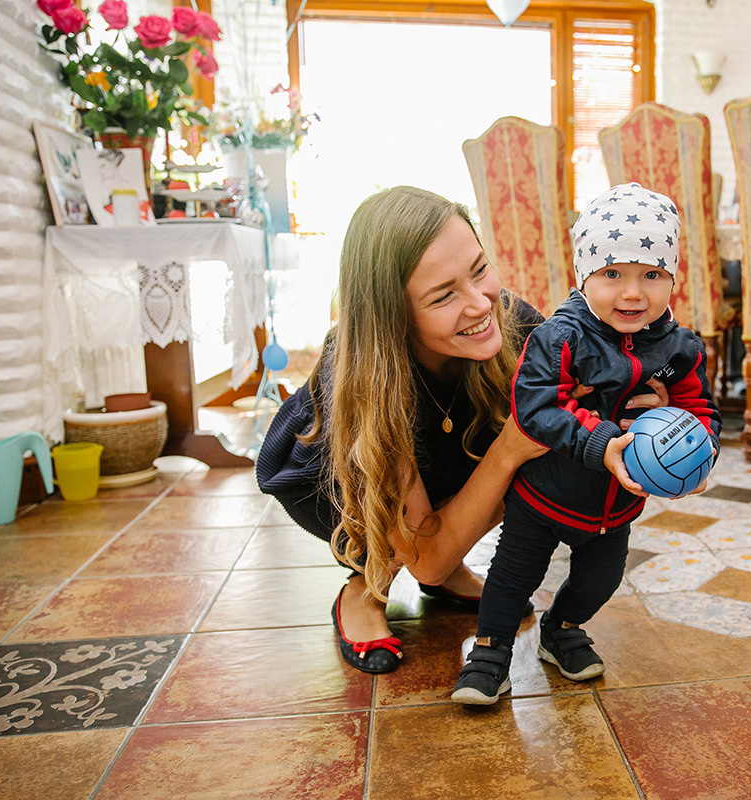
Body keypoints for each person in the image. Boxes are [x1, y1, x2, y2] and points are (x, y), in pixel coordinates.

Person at [256, 186, 667, 674]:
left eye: (478, 270)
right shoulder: (366, 382)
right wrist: (510, 448)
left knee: (549, 435)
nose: (480, 304)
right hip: (337, 479)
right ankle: (364, 588)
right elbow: (424, 559)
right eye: (443, 295)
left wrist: (638, 400)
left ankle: (448, 557)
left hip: (450, 448)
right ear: (394, 316)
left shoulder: (512, 321)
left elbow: (591, 400)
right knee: (413, 545)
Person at [451, 183, 722, 705]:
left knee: (601, 581)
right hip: (542, 499)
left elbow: (700, 409)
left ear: (672, 279)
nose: (632, 293)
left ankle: (561, 627)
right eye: (612, 274)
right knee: (510, 581)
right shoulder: (560, 337)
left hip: (616, 508)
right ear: (585, 274)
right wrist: (602, 443)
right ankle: (489, 653)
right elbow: (536, 408)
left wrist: (699, 450)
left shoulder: (680, 348)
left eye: (652, 275)